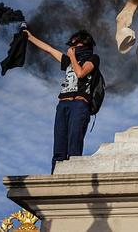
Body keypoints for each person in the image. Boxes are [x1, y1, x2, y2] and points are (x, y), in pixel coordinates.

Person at [24, 29, 100, 173]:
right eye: (71, 45)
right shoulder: (68, 60)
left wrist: (71, 56)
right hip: (63, 104)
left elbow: (80, 73)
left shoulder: (93, 59)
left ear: (84, 44)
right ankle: (55, 177)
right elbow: (49, 49)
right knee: (59, 144)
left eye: (75, 45)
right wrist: (30, 37)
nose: (72, 48)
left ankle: (72, 177)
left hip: (79, 104)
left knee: (74, 146)